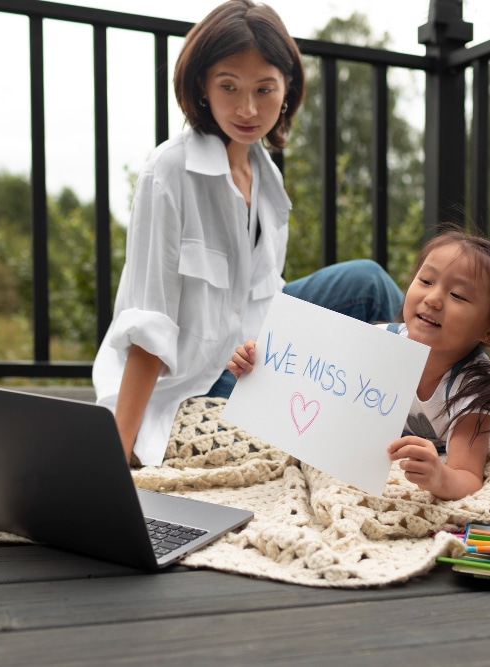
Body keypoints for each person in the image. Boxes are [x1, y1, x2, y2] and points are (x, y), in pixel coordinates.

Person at [93, 0, 403, 467]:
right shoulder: (169, 171)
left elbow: (264, 298)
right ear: (202, 85)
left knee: (368, 282)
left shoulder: (266, 174)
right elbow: (149, 324)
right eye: (229, 86)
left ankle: (452, 399)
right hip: (196, 378)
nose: (248, 108)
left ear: (287, 88)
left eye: (264, 89)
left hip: (256, 351)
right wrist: (116, 452)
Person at [229, 226, 490, 500]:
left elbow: (466, 475)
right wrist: (258, 365)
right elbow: (308, 375)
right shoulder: (379, 341)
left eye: (458, 295)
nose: (433, 299)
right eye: (426, 281)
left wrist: (440, 476)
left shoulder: (472, 391)